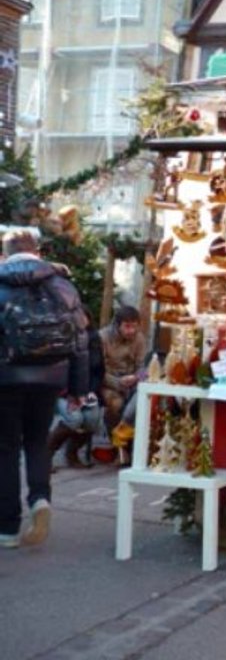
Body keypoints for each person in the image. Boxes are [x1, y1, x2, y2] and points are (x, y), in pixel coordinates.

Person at [0, 230, 89, 548]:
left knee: (6, 450)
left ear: (6, 252)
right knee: (38, 442)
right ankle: (40, 500)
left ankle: (8, 529)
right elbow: (81, 341)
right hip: (51, 377)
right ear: (37, 251)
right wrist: (79, 389)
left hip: (6, 379)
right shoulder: (62, 285)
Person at [48, 306, 104, 469]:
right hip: (63, 392)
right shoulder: (61, 340)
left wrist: (89, 393)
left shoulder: (94, 340)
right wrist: (72, 394)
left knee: (92, 420)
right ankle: (46, 455)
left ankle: (72, 454)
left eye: (83, 317)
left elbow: (98, 371)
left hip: (87, 392)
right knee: (75, 418)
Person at [100, 306, 146, 459]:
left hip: (132, 382)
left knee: (142, 401)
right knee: (116, 403)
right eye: (127, 326)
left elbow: (143, 366)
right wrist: (118, 382)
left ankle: (131, 443)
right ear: (117, 324)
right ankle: (118, 446)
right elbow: (97, 370)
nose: (131, 330)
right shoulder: (103, 338)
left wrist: (136, 377)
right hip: (108, 382)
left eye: (134, 326)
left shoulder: (139, 338)